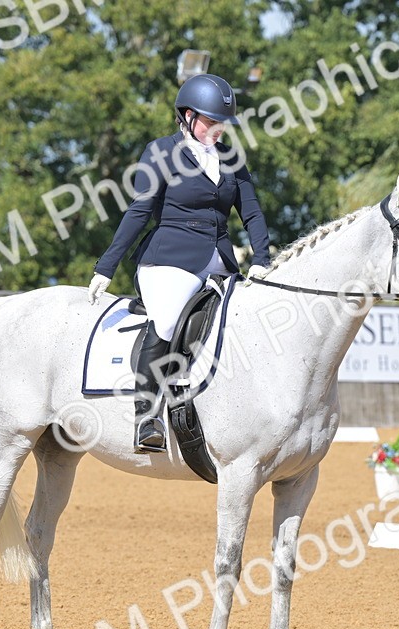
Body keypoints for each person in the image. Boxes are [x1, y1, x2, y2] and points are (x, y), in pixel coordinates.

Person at [88, 73, 273, 454]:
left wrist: (262, 258)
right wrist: (106, 266)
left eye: (221, 122)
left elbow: (251, 212)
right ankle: (148, 416)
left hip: (219, 259)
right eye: (210, 121)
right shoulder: (160, 152)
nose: (218, 129)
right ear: (187, 116)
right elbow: (139, 213)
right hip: (168, 259)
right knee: (169, 319)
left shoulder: (231, 158)